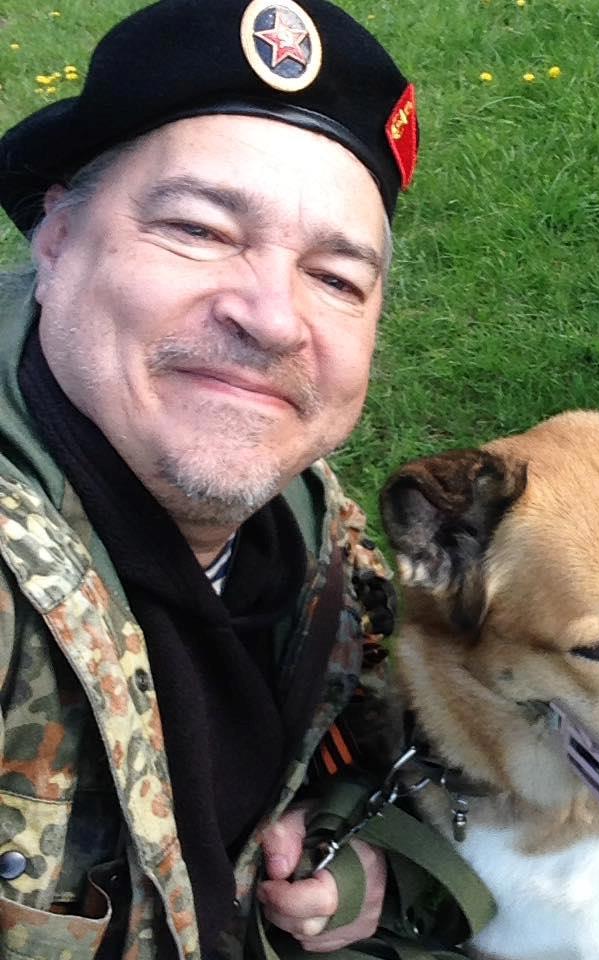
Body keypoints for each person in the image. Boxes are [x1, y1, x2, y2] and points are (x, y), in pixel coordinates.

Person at [0, 1, 419, 956]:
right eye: (199, 229)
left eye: (337, 279)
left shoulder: (309, 525)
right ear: (56, 239)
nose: (273, 319)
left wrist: (363, 853)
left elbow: (386, 726)